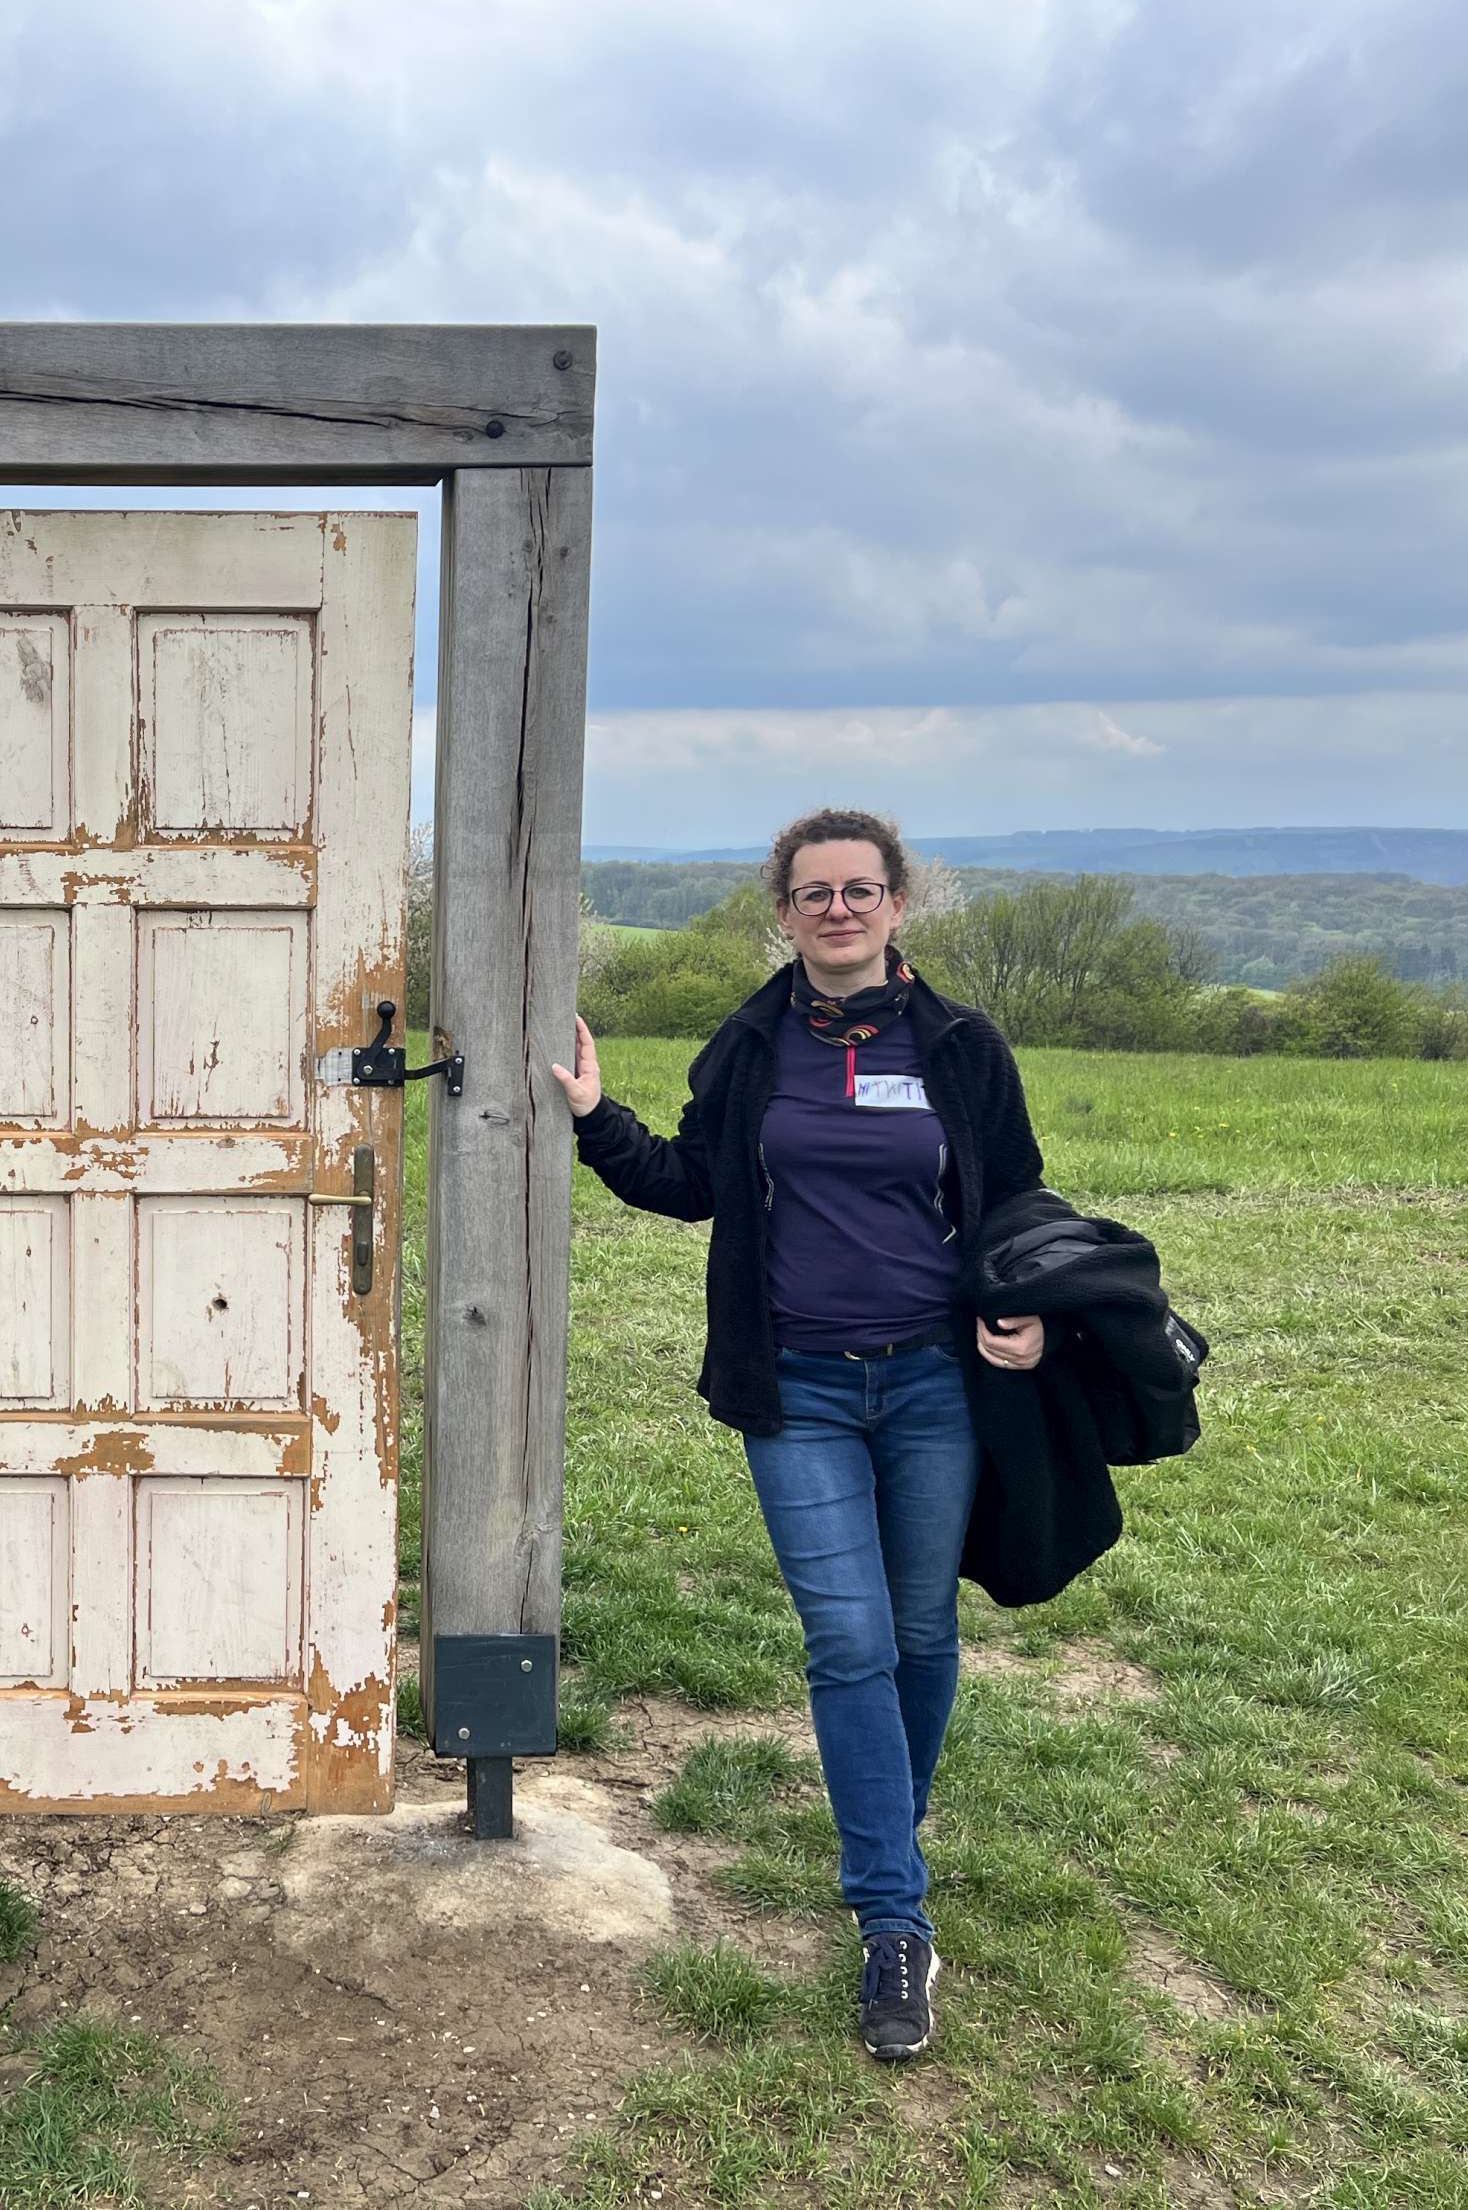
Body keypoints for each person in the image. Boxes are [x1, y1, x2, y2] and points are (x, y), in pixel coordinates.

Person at [549, 806, 1048, 2062]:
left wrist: (1029, 1309)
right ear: (783, 913)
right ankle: (893, 1919)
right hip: (800, 1391)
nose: (838, 910)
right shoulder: (752, 1042)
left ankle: (888, 1832)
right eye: (815, 893)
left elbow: (1015, 1197)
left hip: (936, 1384)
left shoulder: (959, 1046)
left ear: (896, 906)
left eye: (859, 890)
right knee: (850, 1641)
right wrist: (597, 1117)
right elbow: (691, 1184)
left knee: (921, 1635)